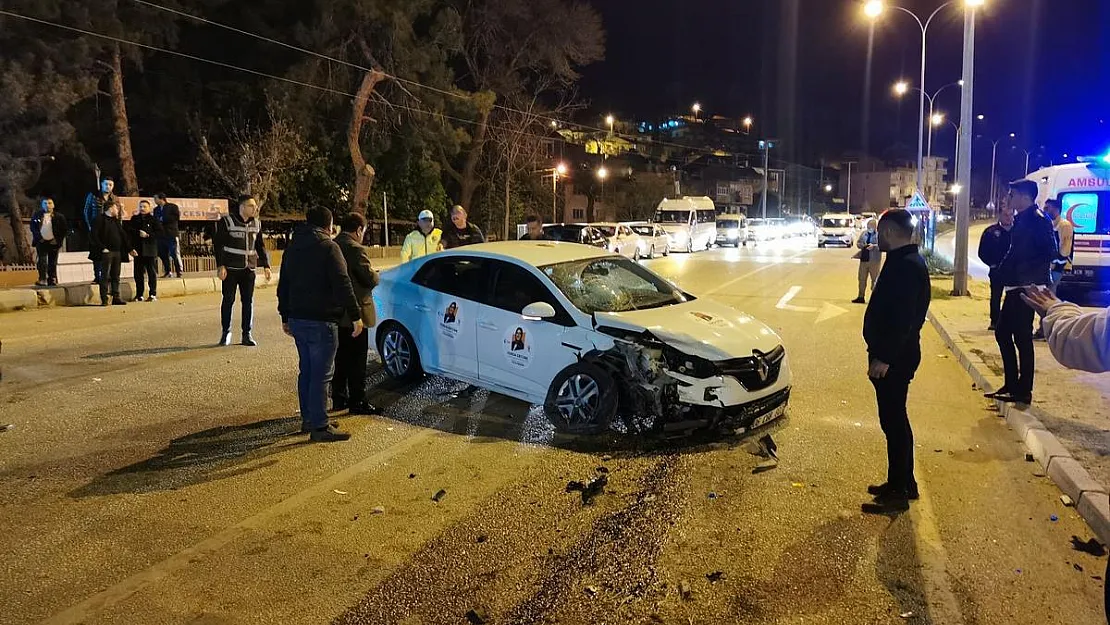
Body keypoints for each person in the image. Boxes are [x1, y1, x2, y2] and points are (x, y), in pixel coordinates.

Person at [861, 209, 931, 513]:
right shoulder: (906, 262)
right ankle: (903, 482)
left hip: (895, 358)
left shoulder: (905, 267)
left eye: (880, 232)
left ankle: (898, 493)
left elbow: (903, 320)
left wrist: (884, 357)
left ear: (888, 231)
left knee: (894, 422)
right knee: (896, 420)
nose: (877, 237)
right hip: (897, 355)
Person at [277, 207, 364, 442]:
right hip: (322, 319)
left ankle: (310, 418)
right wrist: (355, 315)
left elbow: (283, 284)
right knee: (322, 374)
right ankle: (320, 426)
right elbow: (342, 282)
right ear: (329, 224)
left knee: (307, 371)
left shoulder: (292, 248)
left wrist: (285, 316)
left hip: (298, 319)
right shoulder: (328, 247)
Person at [984, 180, 1058, 405]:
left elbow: (1050, 251)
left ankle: (1023, 390)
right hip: (1017, 286)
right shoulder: (1022, 220)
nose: (1009, 198)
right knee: (1004, 333)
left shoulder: (1037, 220)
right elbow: (1014, 252)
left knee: (1021, 337)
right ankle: (1012, 384)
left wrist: (1028, 275)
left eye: (1012, 194)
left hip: (1027, 288)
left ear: (1025, 197)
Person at [331, 212, 380, 415]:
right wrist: (376, 275)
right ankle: (357, 401)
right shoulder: (355, 249)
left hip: (335, 312)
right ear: (359, 230)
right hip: (356, 312)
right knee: (358, 361)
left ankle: (339, 398)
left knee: (340, 358)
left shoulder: (333, 246)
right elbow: (369, 278)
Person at [213, 194, 271, 346]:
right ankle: (226, 332)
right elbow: (218, 245)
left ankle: (247, 334)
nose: (255, 209)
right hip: (231, 268)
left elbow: (260, 245)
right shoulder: (227, 221)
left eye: (255, 206)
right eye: (252, 206)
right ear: (242, 207)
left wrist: (266, 265)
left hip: (249, 269)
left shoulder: (257, 224)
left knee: (248, 302)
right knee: (228, 300)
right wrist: (221, 265)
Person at [1034, 198, 1074, 340]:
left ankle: (1046, 331)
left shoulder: (1064, 225)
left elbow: (1065, 248)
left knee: (1048, 297)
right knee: (1043, 297)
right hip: (1048, 267)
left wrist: (1057, 264)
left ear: (1056, 209)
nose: (1045, 210)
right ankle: (1043, 329)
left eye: (1048, 208)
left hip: (1057, 268)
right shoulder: (1050, 224)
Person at [977, 201, 1015, 331]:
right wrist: (992, 264)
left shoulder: (1018, 232)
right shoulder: (991, 232)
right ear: (999, 215)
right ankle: (995, 321)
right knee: (995, 297)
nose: (1008, 217)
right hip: (997, 271)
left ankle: (1010, 321)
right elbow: (982, 252)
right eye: (1005, 215)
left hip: (1013, 271)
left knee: (1013, 298)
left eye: (1011, 215)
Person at [89, 200, 129, 306]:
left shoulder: (115, 220)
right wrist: (102, 248)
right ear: (111, 208)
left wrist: (129, 249)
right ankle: (104, 298)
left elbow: (122, 234)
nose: (117, 210)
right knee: (105, 276)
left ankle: (116, 297)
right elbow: (94, 235)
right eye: (116, 208)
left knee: (116, 275)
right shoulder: (99, 219)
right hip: (106, 252)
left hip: (117, 252)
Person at [83, 178, 117, 284]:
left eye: (110, 185)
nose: (108, 186)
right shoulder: (93, 196)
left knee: (110, 253)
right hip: (96, 228)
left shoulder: (114, 198)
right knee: (96, 254)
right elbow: (86, 211)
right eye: (106, 184)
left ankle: (108, 276)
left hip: (109, 229)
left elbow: (117, 214)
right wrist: (89, 226)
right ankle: (97, 276)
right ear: (102, 185)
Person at [128, 200, 163, 302]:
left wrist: (148, 235)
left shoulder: (153, 220)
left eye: (144, 207)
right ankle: (139, 294)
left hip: (150, 250)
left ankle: (152, 293)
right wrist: (130, 248)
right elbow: (129, 233)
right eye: (141, 206)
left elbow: (160, 233)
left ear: (149, 208)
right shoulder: (134, 219)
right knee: (138, 274)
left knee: (151, 272)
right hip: (138, 250)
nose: (142, 208)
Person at [31, 197, 69, 286]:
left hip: (54, 242)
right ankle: (42, 279)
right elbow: (33, 227)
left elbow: (64, 229)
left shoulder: (59, 216)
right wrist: (39, 238)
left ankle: (52, 279)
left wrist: (57, 239)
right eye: (45, 203)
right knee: (42, 261)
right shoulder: (37, 215)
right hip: (41, 241)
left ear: (53, 205)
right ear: (42, 205)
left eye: (49, 203)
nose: (47, 205)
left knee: (52, 261)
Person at [154, 193, 183, 278]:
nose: (155, 201)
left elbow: (176, 217)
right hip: (161, 234)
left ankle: (178, 271)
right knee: (162, 253)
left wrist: (163, 219)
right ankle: (168, 271)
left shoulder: (172, 207)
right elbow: (156, 220)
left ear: (161, 198)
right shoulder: (156, 209)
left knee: (173, 253)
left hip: (171, 233)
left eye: (156, 199)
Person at [852, 218, 881, 304]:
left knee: (874, 279)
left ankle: (875, 298)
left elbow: (882, 246)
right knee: (861, 278)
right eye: (868, 226)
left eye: (871, 226)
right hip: (864, 259)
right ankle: (861, 296)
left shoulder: (879, 235)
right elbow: (858, 243)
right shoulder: (864, 234)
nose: (869, 228)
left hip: (874, 260)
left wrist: (874, 246)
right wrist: (862, 245)